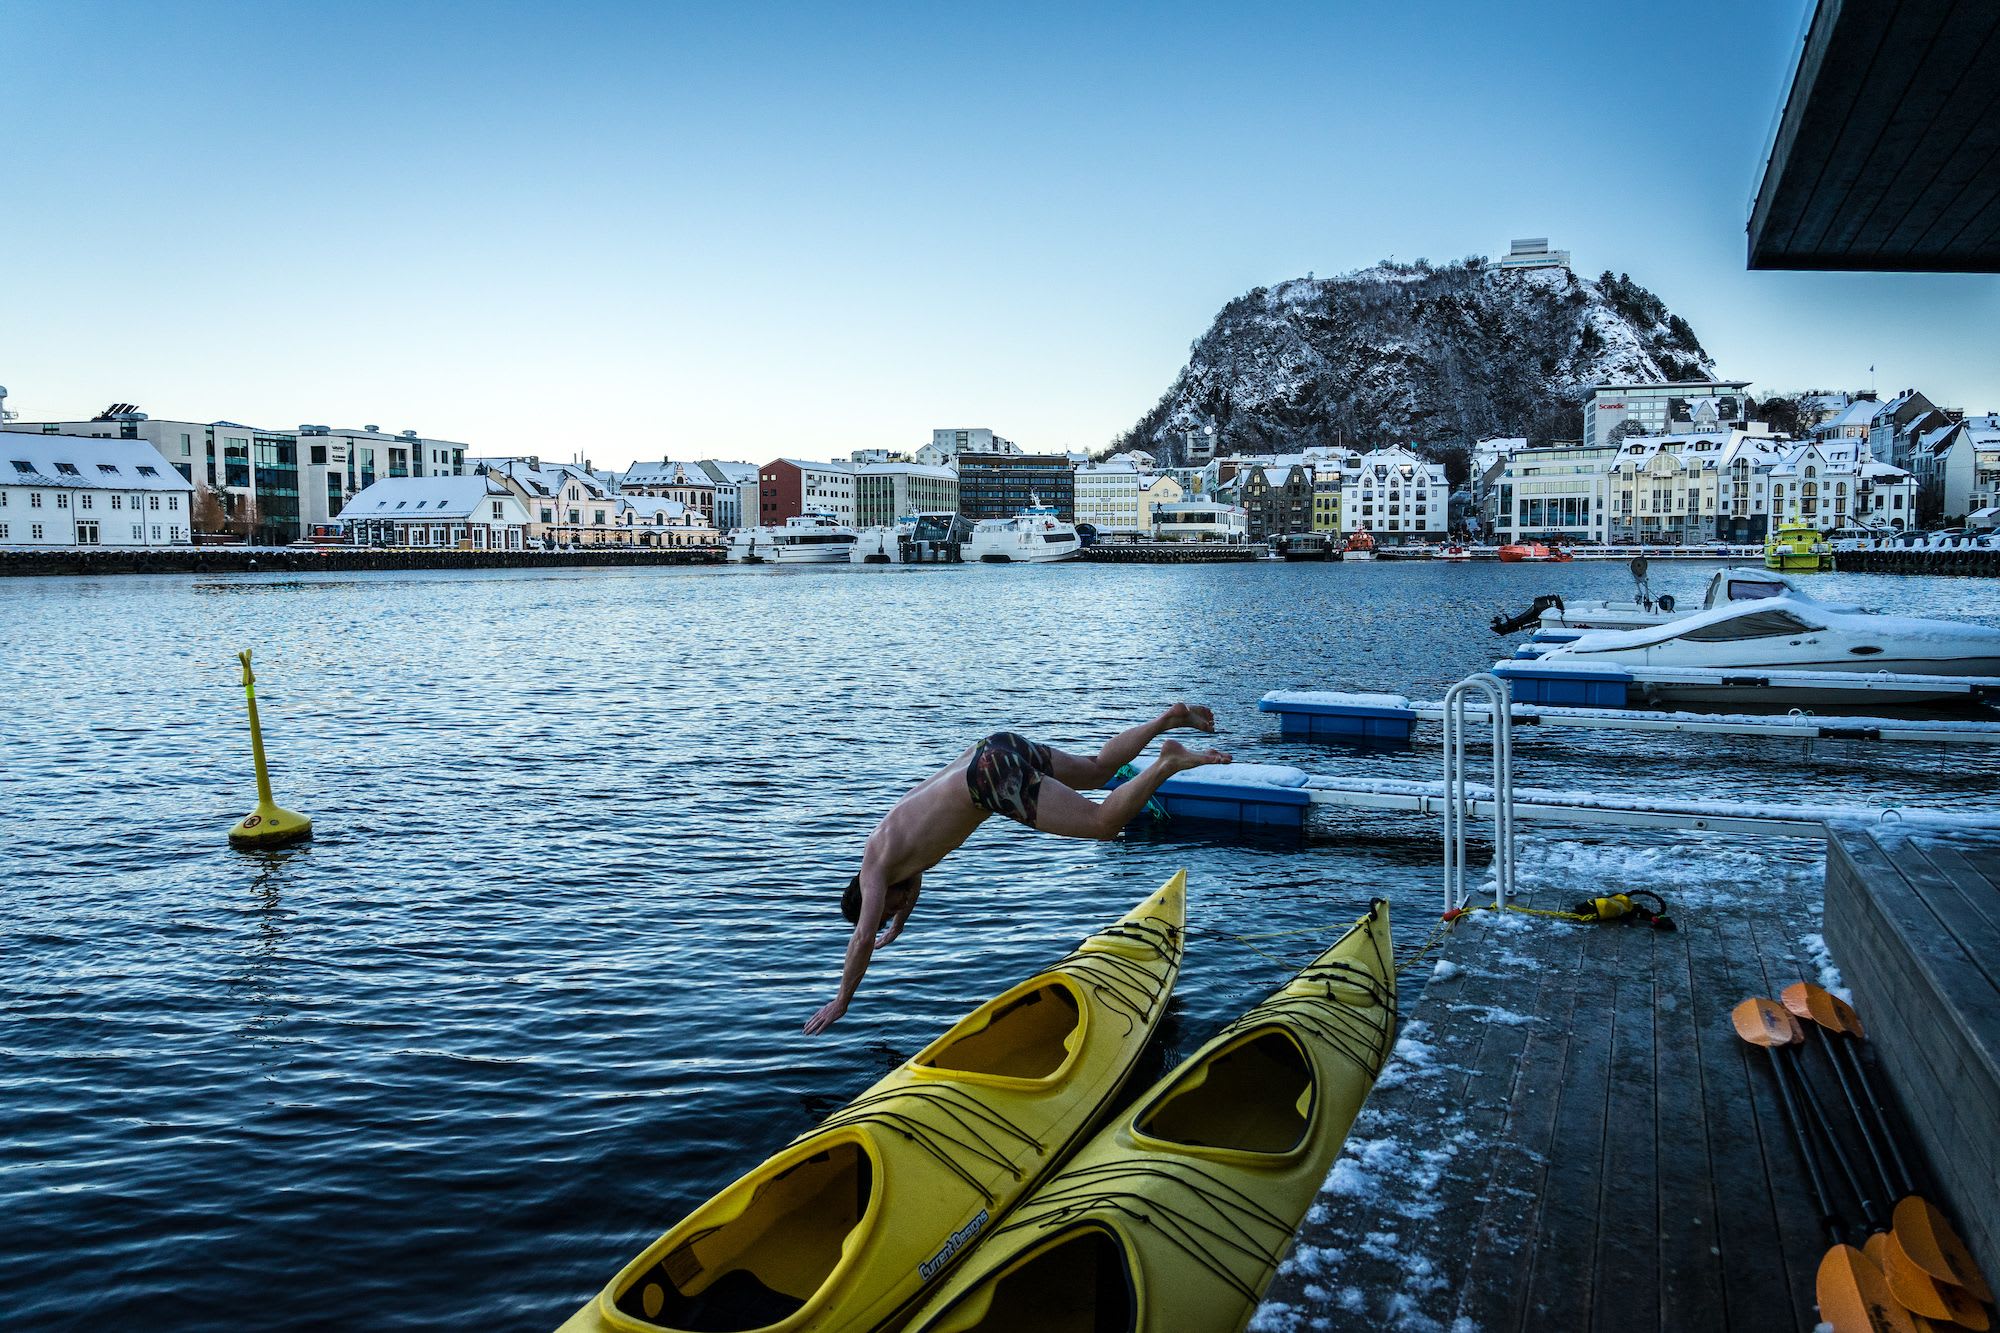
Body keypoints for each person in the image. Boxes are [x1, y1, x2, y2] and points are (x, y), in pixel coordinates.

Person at [803, 703, 1230, 1034]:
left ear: (872, 901)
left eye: (883, 913)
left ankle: (1166, 763)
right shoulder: (892, 854)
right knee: (1099, 769)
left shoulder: (875, 870)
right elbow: (909, 891)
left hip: (987, 778)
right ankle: (1166, 721)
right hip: (993, 746)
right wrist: (897, 925)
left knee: (1103, 824)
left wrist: (842, 1000)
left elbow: (861, 938)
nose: (894, 910)